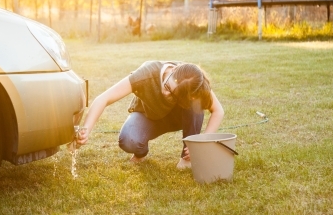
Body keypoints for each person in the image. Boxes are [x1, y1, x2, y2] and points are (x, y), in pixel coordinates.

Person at [75, 60, 224, 169]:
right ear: (173, 70)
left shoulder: (194, 82)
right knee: (128, 140)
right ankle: (141, 153)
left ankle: (187, 158)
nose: (166, 93)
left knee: (195, 103)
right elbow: (104, 98)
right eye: (167, 86)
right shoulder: (147, 74)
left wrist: (201, 144)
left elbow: (218, 111)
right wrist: (86, 129)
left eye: (173, 95)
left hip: (177, 118)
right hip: (150, 116)